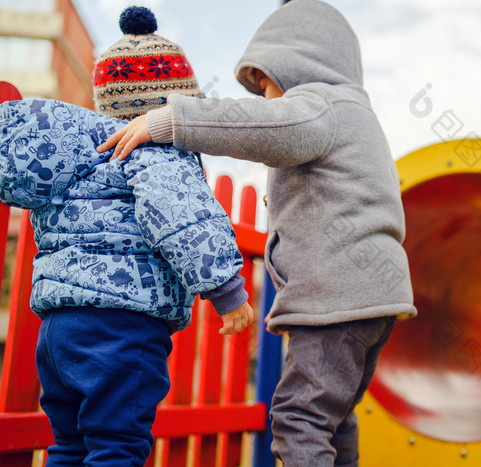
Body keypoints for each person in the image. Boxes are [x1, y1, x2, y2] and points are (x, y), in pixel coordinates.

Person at [99, 1, 417, 465]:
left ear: (300, 62)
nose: (266, 97)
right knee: (334, 417)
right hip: (377, 300)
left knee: (299, 419)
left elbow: (262, 126)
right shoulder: (359, 117)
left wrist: (169, 121)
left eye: (264, 82)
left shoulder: (321, 106)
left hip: (339, 300)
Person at [0, 6, 253, 466]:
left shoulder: (75, 159)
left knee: (69, 445)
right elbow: (184, 221)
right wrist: (227, 291)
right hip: (121, 327)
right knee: (118, 446)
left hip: (57, 330)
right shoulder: (157, 154)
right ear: (175, 102)